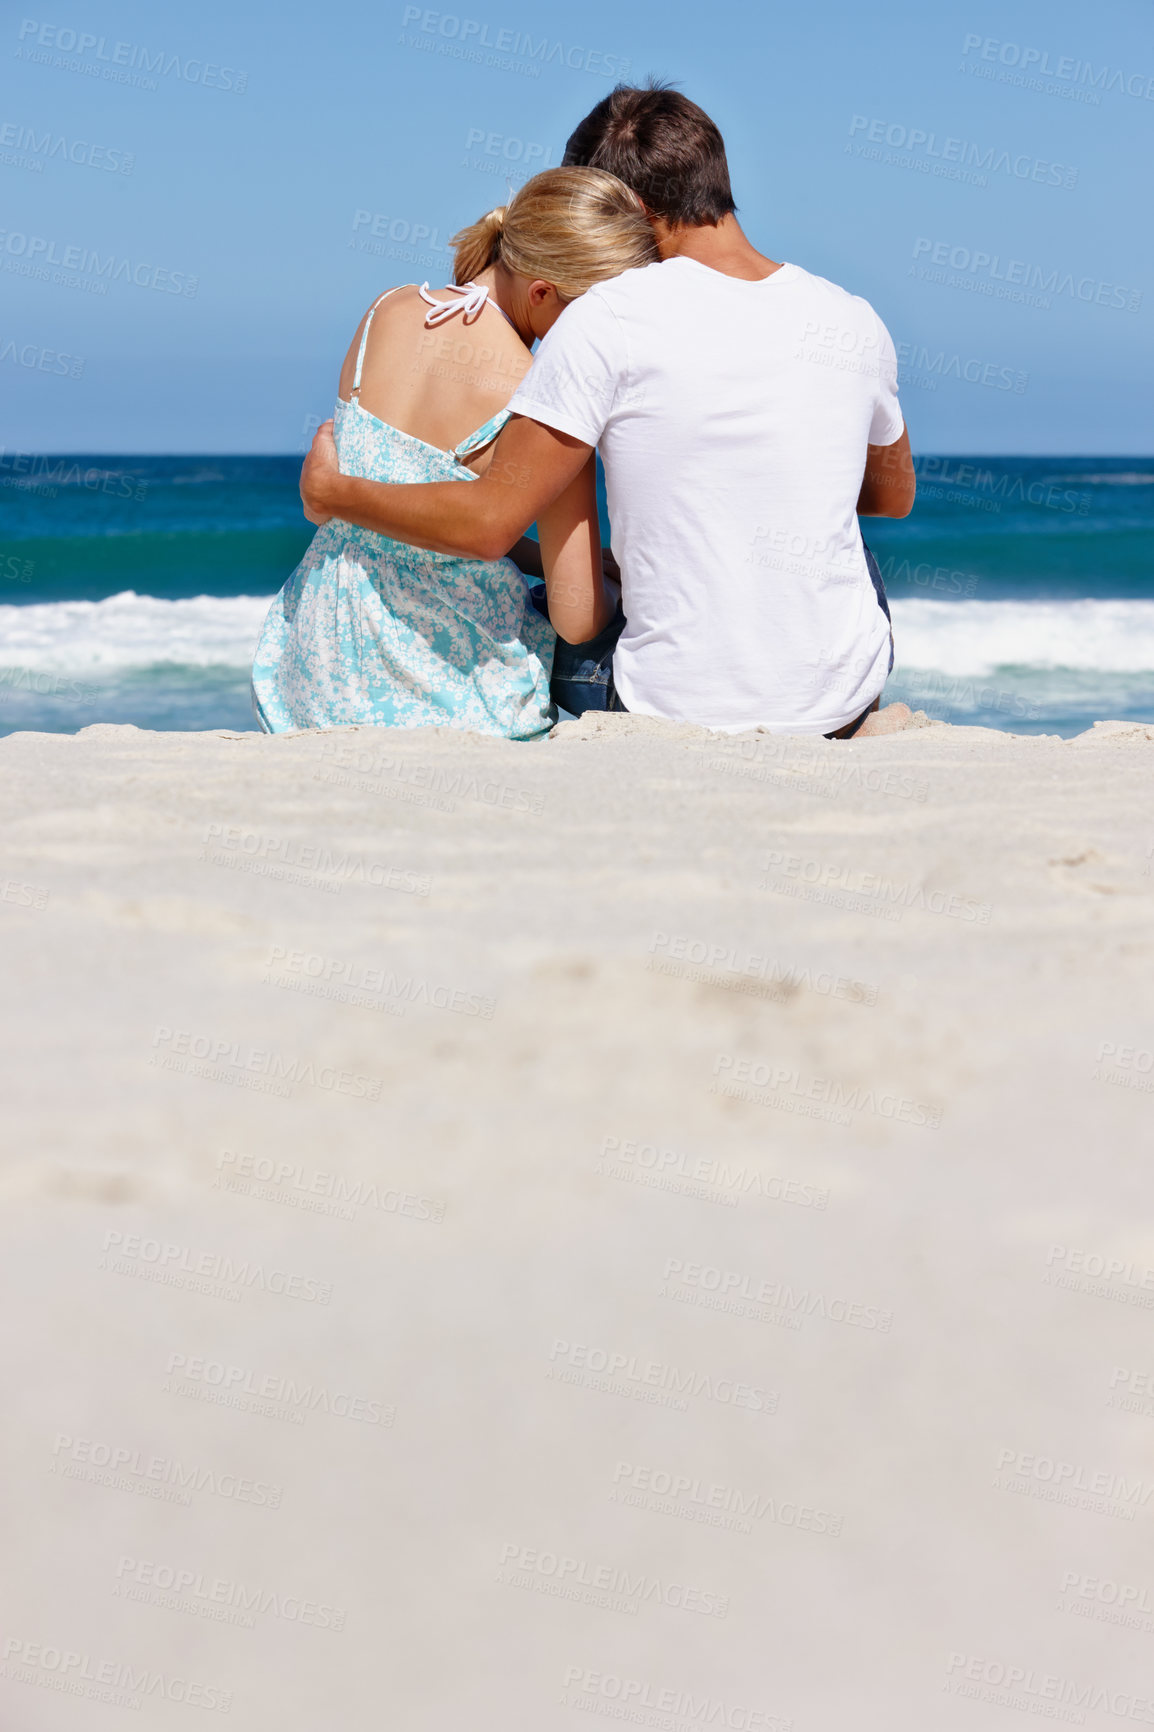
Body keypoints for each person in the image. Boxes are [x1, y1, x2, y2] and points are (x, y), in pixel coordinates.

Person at [299, 83, 916, 738]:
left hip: (669, 711)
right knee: (848, 548)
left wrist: (336, 493)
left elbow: (489, 525)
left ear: (633, 210)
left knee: (535, 611)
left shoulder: (603, 319)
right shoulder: (853, 319)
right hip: (842, 697)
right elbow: (887, 495)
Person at [251, 167, 656, 736]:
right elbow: (575, 615)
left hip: (316, 663)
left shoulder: (386, 310)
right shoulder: (543, 395)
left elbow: (409, 514)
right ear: (542, 293)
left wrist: (536, 555)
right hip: (443, 689)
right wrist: (609, 585)